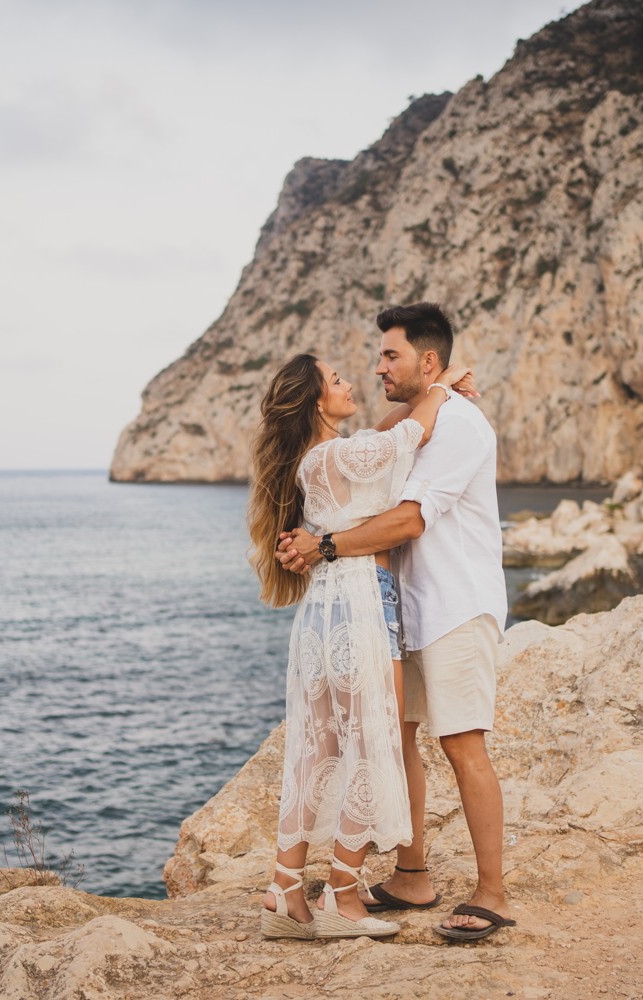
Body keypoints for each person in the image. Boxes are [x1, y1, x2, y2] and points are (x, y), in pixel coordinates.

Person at [276, 302, 515, 942]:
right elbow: (380, 447)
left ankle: (491, 892)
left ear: (426, 360)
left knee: (463, 745)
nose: (379, 366)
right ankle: (412, 873)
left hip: (455, 605)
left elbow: (410, 519)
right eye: (380, 356)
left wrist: (322, 544)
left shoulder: (459, 424)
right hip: (401, 607)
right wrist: (434, 391)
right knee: (396, 736)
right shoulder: (421, 416)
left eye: (392, 356)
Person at [246, 351, 472, 940]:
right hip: (362, 601)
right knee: (373, 743)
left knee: (318, 750)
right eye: (337, 379)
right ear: (318, 400)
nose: (350, 383)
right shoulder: (341, 454)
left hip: (325, 606)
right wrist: (442, 385)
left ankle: (285, 888)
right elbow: (410, 433)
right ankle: (342, 893)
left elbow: (386, 442)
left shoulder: (318, 461)